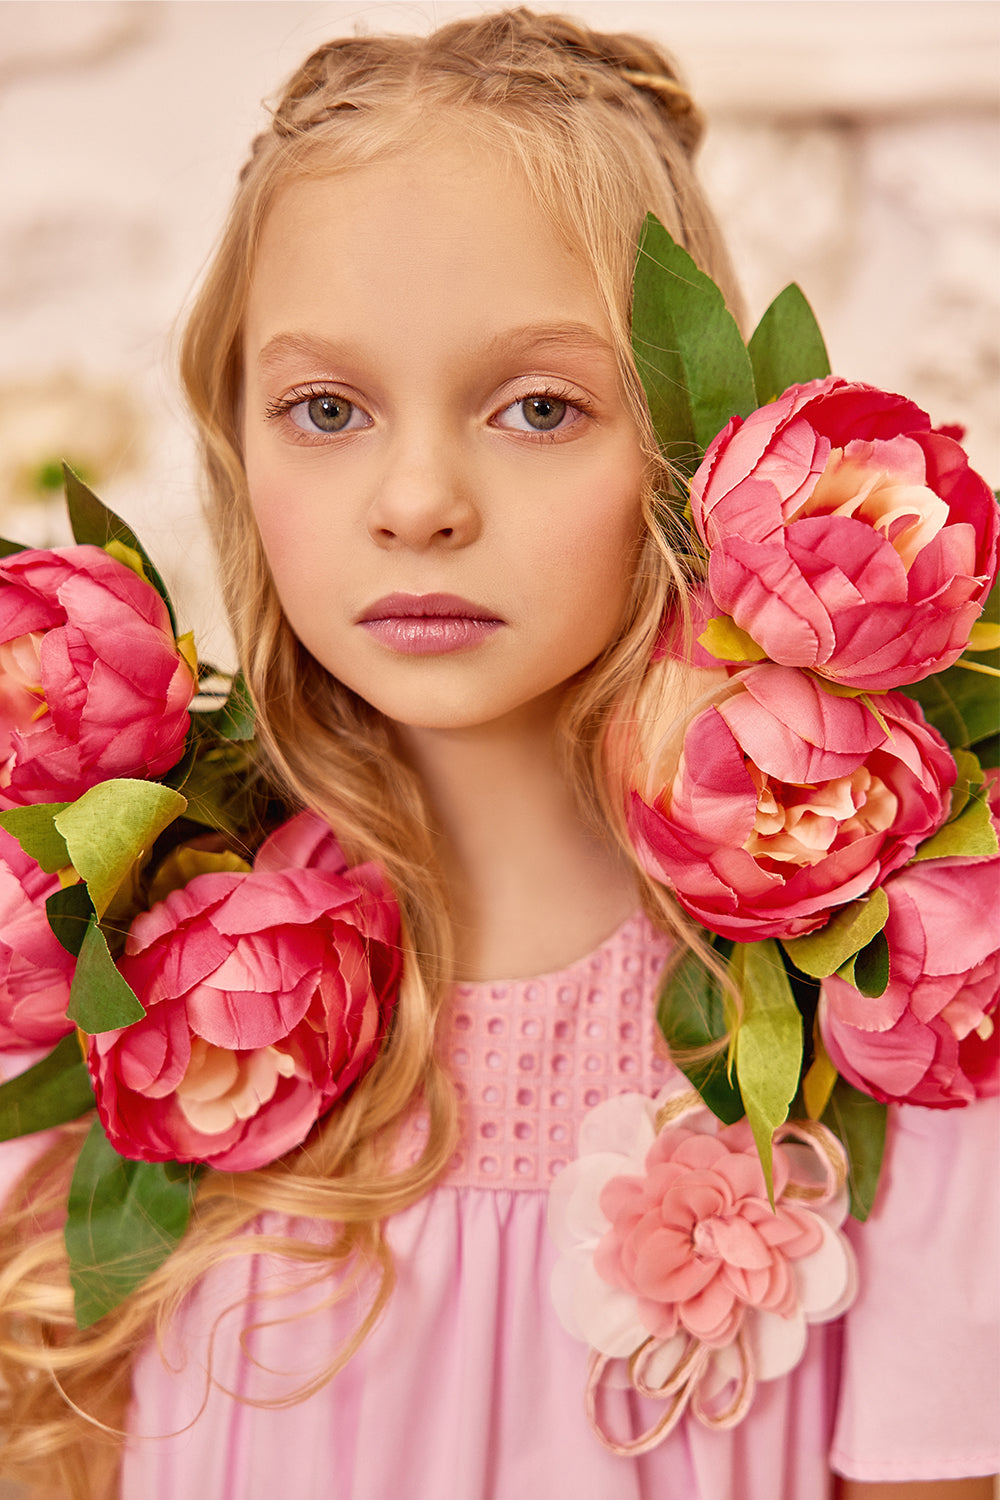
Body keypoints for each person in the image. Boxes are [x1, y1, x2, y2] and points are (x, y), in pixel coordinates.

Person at [0, 9, 996, 1499]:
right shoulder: (105, 975)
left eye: (539, 407)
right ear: (237, 433)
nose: (416, 500)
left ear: (688, 439)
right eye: (326, 409)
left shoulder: (899, 1013)